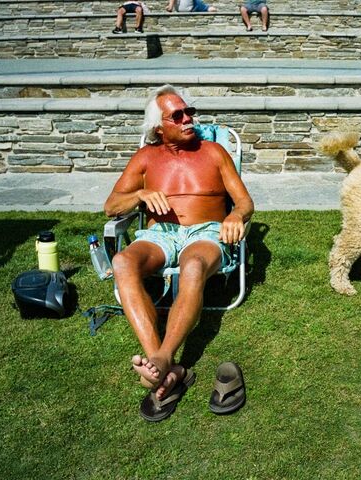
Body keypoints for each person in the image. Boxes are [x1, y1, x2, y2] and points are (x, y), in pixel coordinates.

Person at [104, 85, 254, 414]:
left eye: (190, 112)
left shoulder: (214, 152)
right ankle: (168, 367)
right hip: (162, 234)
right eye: (178, 115)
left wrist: (235, 215)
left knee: (193, 267)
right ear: (159, 127)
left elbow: (244, 201)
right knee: (122, 262)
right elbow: (112, 205)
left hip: (206, 232)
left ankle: (160, 359)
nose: (189, 119)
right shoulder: (146, 158)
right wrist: (139, 197)